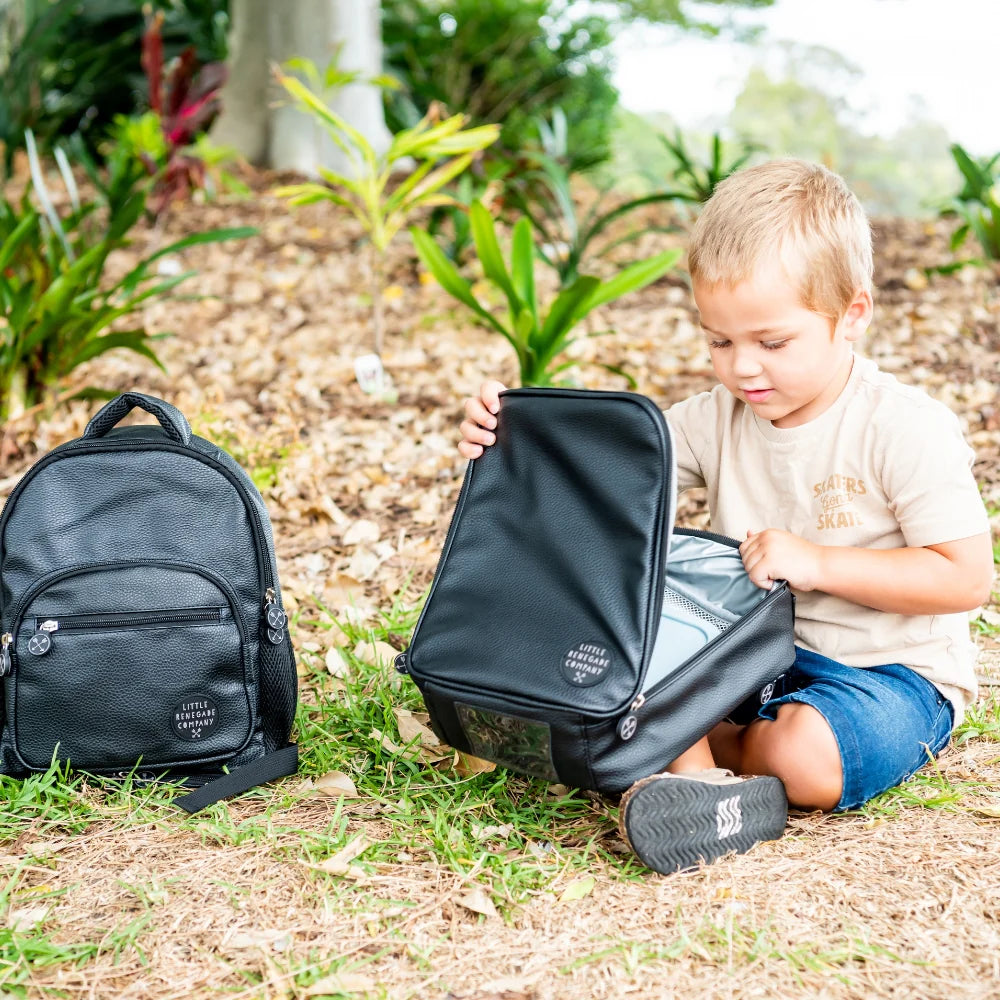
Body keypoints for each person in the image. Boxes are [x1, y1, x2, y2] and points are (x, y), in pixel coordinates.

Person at [456, 159, 995, 875]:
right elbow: (606, 475)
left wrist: (818, 562)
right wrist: (508, 437)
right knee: (630, 640)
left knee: (798, 755)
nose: (743, 368)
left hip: (887, 671)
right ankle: (696, 780)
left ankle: (687, 757)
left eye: (772, 343)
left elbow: (963, 580)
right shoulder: (718, 416)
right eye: (719, 341)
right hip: (745, 660)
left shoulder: (903, 428)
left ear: (852, 314)